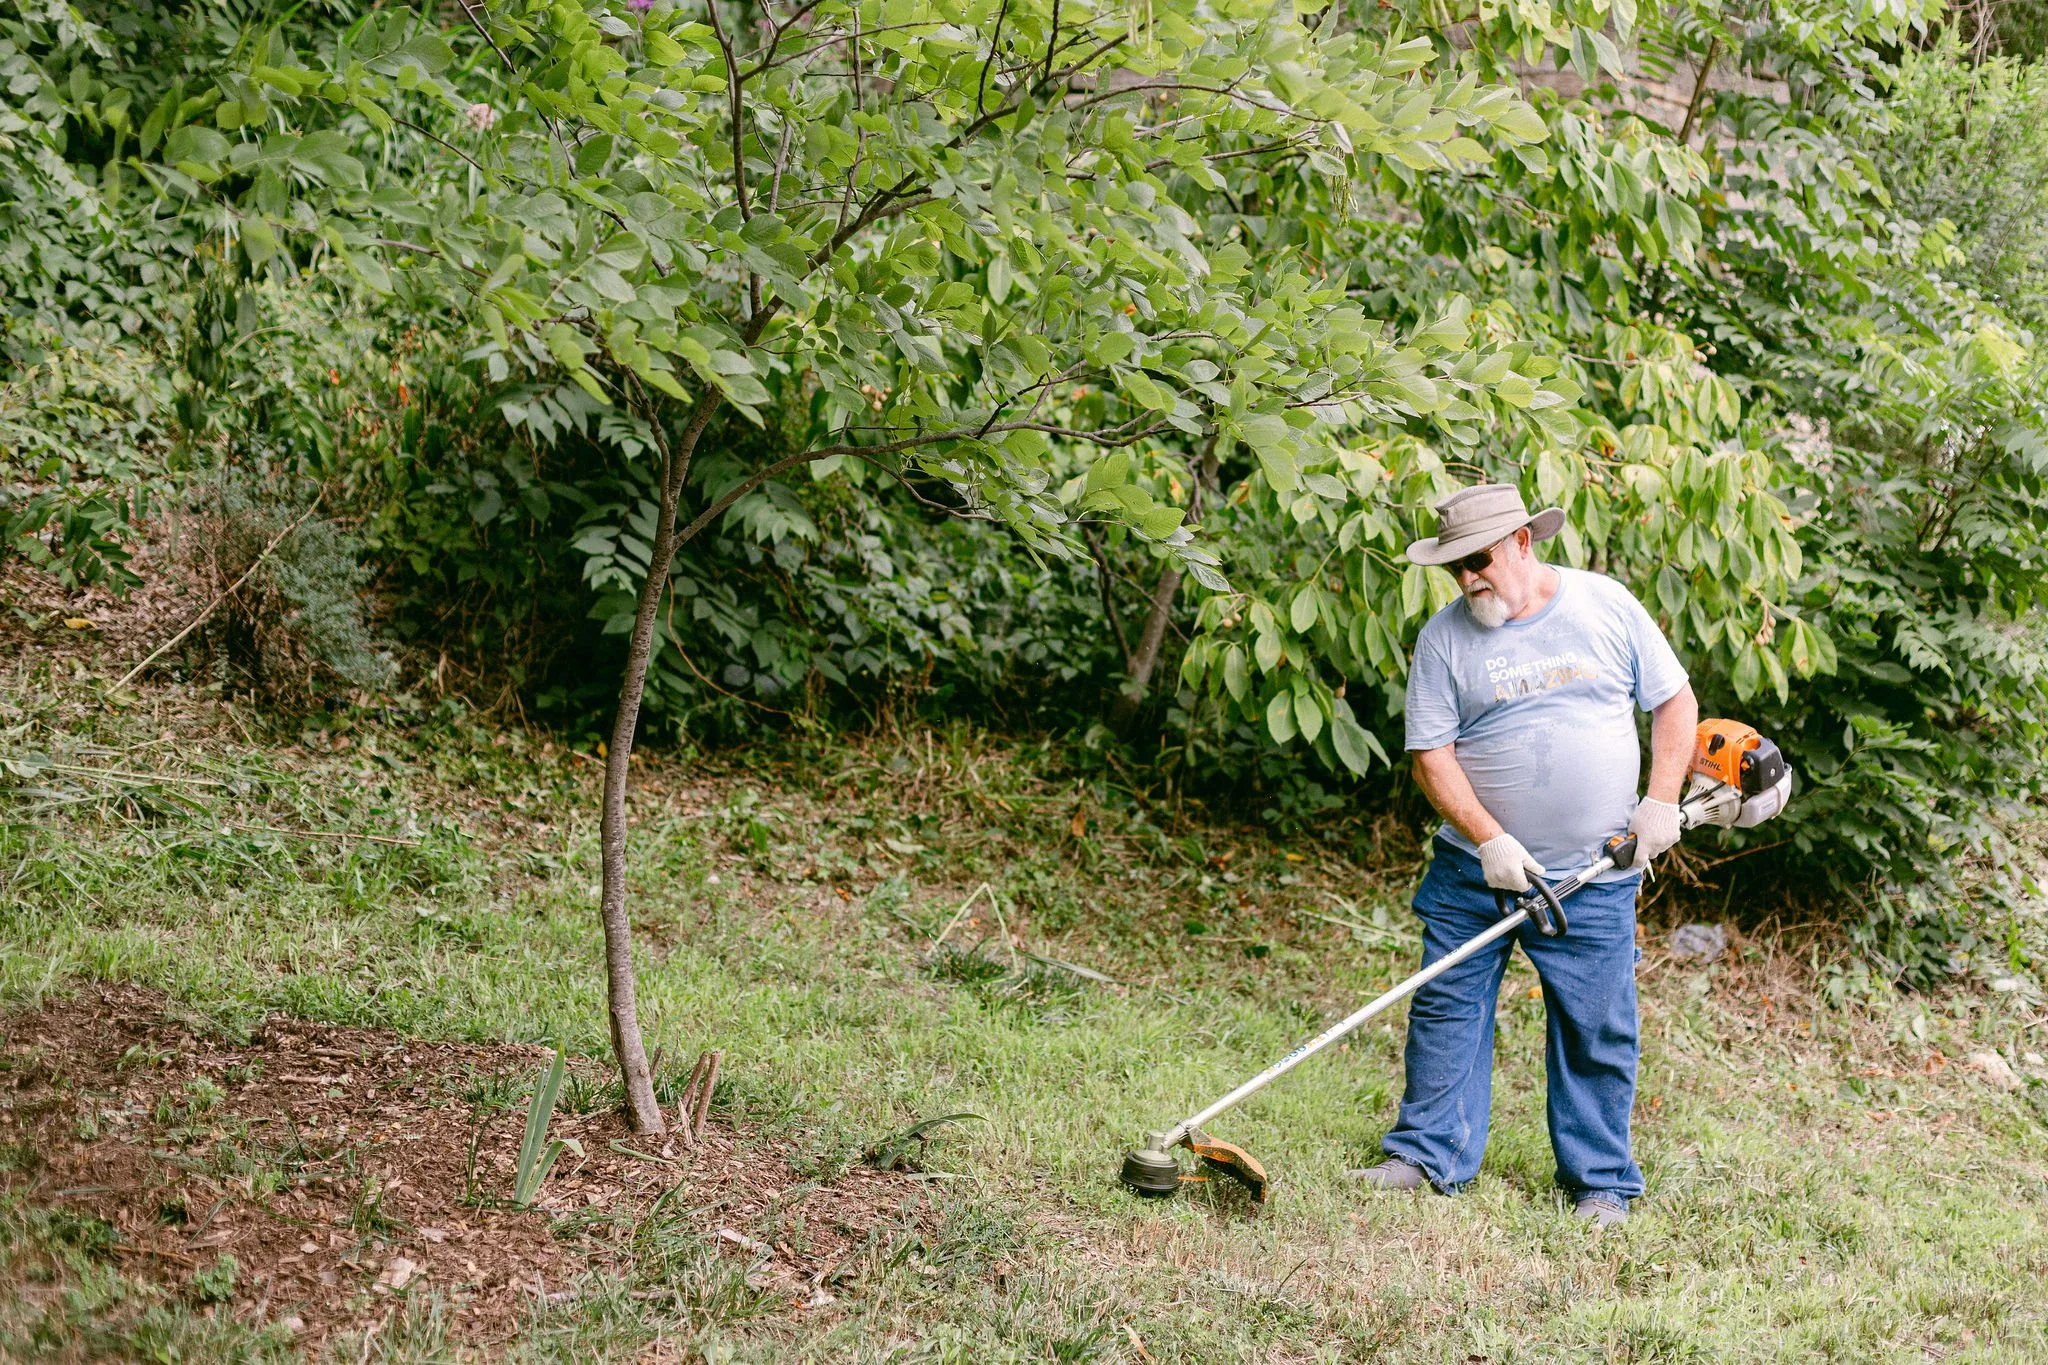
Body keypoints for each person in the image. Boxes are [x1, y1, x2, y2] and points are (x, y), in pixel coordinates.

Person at [1348, 483, 1698, 1228]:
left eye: (1478, 560)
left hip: (1594, 873)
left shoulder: (1604, 605)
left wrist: (1660, 800)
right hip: (1476, 873)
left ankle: (1600, 1181)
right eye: (1456, 568)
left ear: (1523, 544)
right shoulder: (1444, 639)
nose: (1469, 578)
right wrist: (1489, 838)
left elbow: (1675, 702)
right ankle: (1425, 1153)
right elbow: (1431, 755)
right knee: (1446, 1007)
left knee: (1596, 1024)